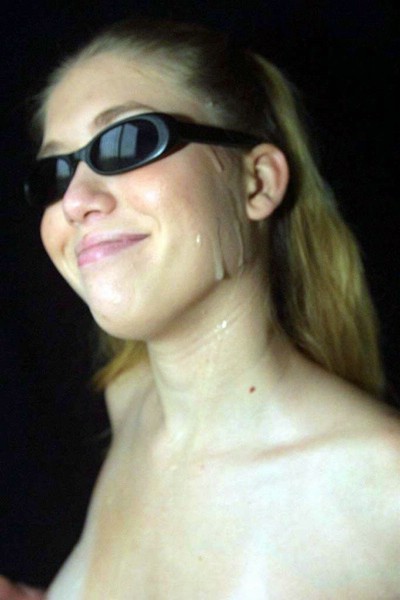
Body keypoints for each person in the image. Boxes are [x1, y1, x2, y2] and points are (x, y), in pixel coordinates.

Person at [4, 17, 400, 599]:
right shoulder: (130, 403)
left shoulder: (385, 491)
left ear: (256, 182)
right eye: (55, 173)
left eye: (127, 142)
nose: (76, 201)